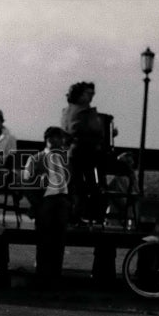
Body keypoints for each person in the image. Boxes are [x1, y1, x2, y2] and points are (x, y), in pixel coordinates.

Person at [21, 126, 71, 287]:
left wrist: (71, 202)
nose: (55, 140)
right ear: (46, 139)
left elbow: (73, 184)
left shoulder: (66, 161)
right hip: (45, 203)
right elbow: (26, 183)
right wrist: (37, 203)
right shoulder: (36, 159)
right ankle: (42, 276)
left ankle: (55, 276)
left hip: (62, 203)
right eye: (51, 137)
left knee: (59, 241)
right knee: (44, 241)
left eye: (58, 137)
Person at [60, 81, 110, 224]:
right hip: (84, 153)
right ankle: (90, 214)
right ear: (80, 95)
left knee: (75, 186)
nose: (91, 97)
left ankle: (75, 214)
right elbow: (96, 131)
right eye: (88, 94)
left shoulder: (66, 111)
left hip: (71, 153)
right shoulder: (85, 112)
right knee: (90, 186)